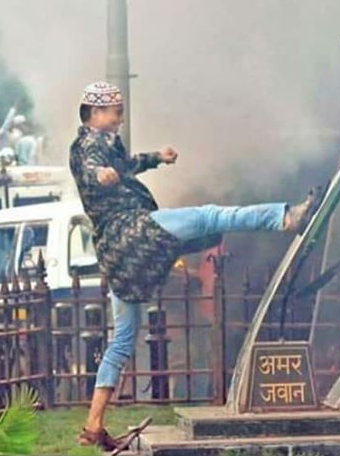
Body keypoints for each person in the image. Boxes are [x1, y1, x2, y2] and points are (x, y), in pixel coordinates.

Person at [70, 81, 320, 451]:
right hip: (134, 233)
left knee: (122, 339)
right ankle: (285, 218)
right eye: (115, 111)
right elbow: (92, 166)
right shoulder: (90, 144)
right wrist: (99, 175)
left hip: (117, 257)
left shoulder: (107, 146)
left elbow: (125, 165)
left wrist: (157, 157)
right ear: (93, 113)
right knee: (208, 217)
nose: (120, 117)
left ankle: (94, 424)